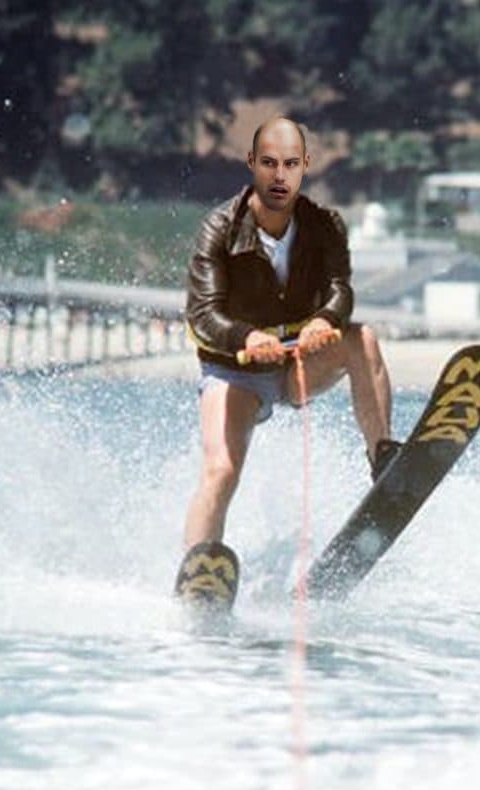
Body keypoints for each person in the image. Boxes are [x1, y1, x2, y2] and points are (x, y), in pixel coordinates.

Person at [183, 116, 400, 555]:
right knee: (221, 471)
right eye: (269, 164)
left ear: (305, 166)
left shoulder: (325, 225)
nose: (279, 176)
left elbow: (340, 289)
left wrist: (326, 319)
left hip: (296, 364)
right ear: (252, 164)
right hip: (235, 372)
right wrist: (246, 337)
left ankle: (384, 459)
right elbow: (203, 313)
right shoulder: (220, 228)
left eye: (290, 164)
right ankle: (198, 567)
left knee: (362, 339)